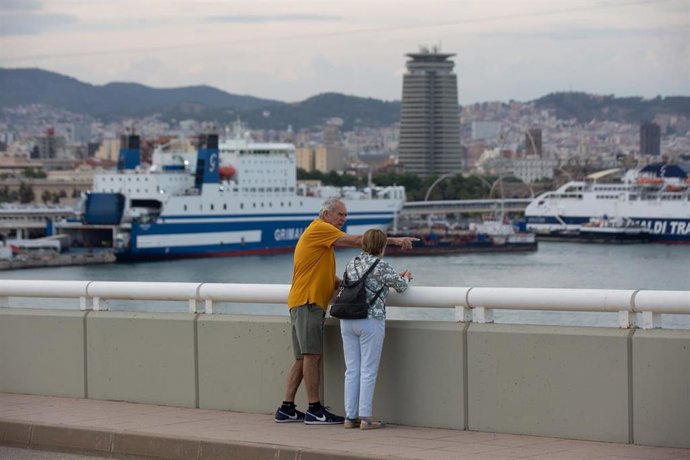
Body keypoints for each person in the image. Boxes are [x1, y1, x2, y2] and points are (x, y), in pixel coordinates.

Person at [274, 197, 416, 425]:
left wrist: (361, 283)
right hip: (309, 301)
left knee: (302, 358)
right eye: (340, 214)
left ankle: (287, 408)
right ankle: (314, 409)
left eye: (345, 215)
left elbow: (333, 280)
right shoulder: (320, 229)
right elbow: (362, 240)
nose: (344, 219)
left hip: (301, 300)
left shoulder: (321, 239)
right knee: (312, 356)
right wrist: (396, 240)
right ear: (326, 214)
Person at [340, 229, 412, 430]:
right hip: (371, 320)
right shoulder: (381, 265)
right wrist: (405, 277)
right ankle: (365, 417)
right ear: (382, 246)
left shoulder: (352, 263)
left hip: (347, 319)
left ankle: (349, 417)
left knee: (352, 369)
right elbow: (401, 287)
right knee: (368, 370)